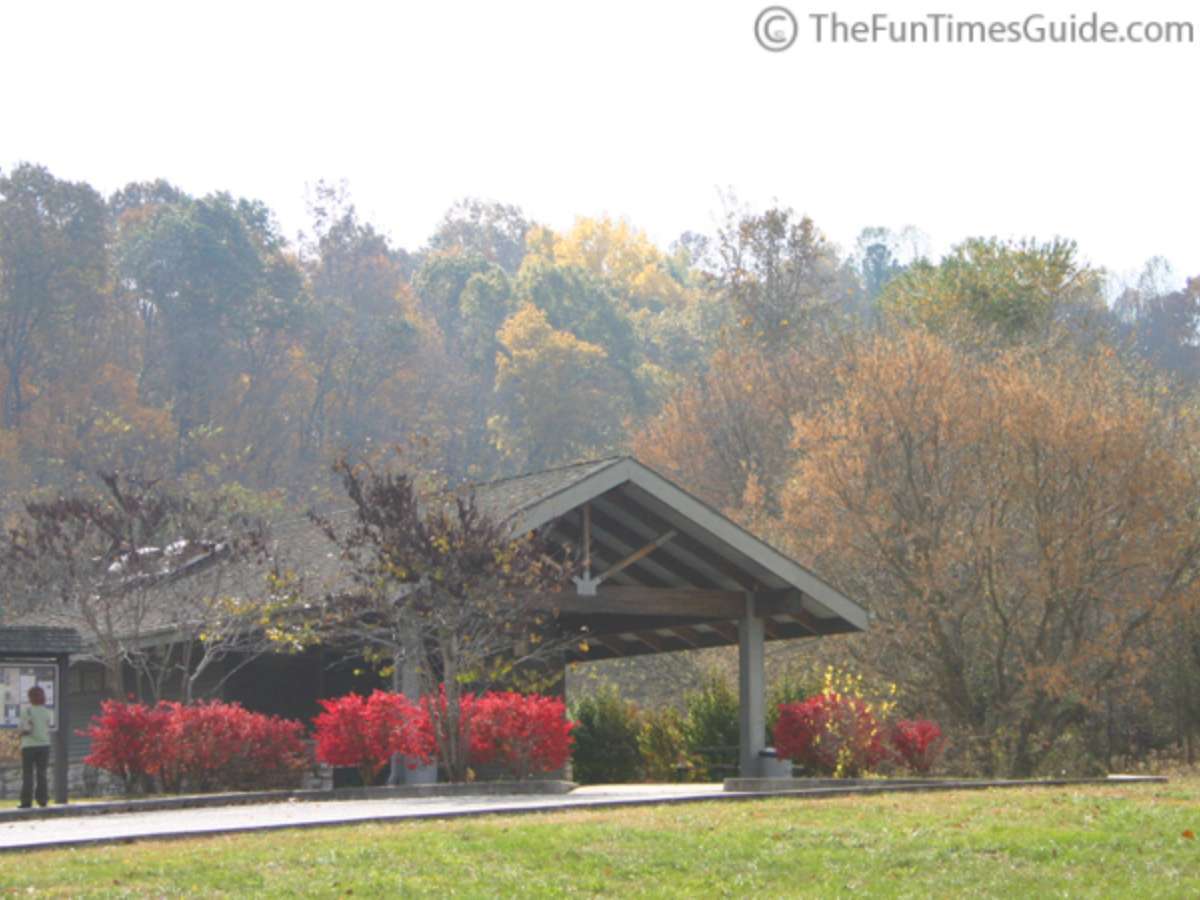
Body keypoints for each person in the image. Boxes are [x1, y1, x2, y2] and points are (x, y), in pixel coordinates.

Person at [19, 685, 51, 809]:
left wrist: (20, 734)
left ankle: (26, 801)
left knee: (27, 774)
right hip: (44, 745)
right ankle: (42, 800)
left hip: (28, 746)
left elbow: (24, 729)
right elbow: (47, 727)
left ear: (30, 697)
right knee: (42, 773)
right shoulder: (47, 712)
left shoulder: (26, 711)